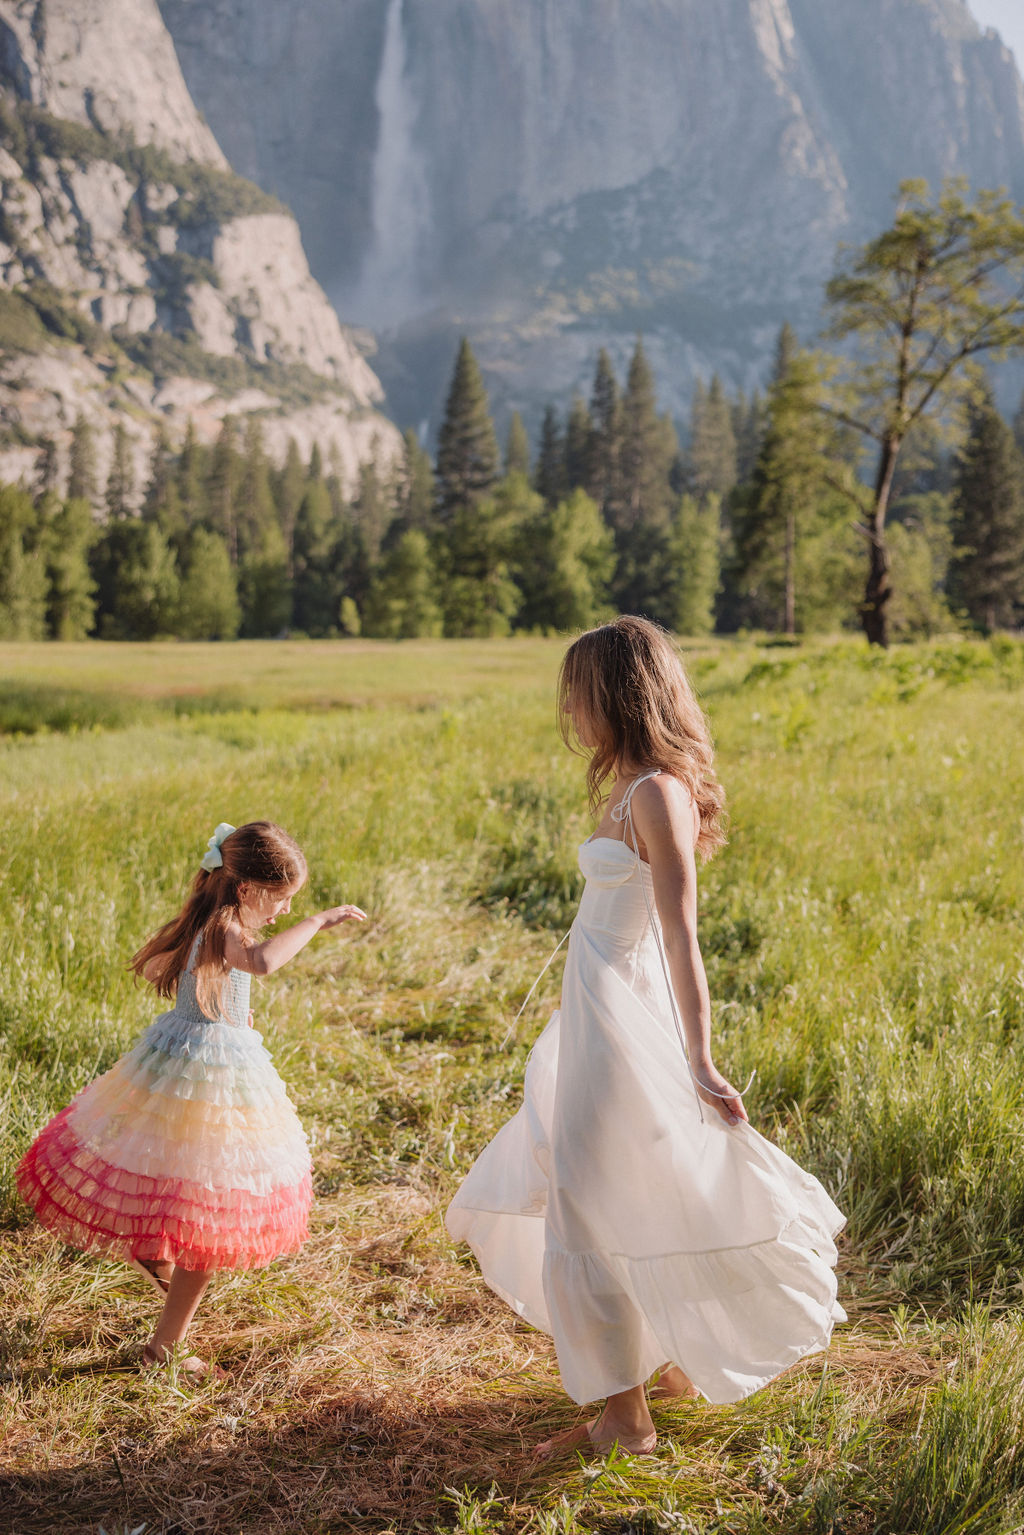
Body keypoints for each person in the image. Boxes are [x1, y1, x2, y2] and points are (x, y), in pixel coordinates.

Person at [446, 617, 846, 1457]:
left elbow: (680, 935)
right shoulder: (627, 787)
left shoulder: (658, 793)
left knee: (588, 1197)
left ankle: (626, 1421)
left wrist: (697, 1058)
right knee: (613, 1180)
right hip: (591, 1010)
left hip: (623, 1017)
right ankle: (665, 1366)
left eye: (578, 690)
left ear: (619, 694)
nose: (568, 706)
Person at [16, 820, 365, 1379]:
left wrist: (227, 1011)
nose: (280, 912)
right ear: (248, 890)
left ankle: (157, 1266)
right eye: (282, 901)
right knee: (210, 1216)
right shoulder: (229, 926)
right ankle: (164, 1349)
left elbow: (204, 982)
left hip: (180, 1060)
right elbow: (265, 962)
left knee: (179, 1182)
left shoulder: (209, 916)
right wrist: (320, 920)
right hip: (210, 1074)